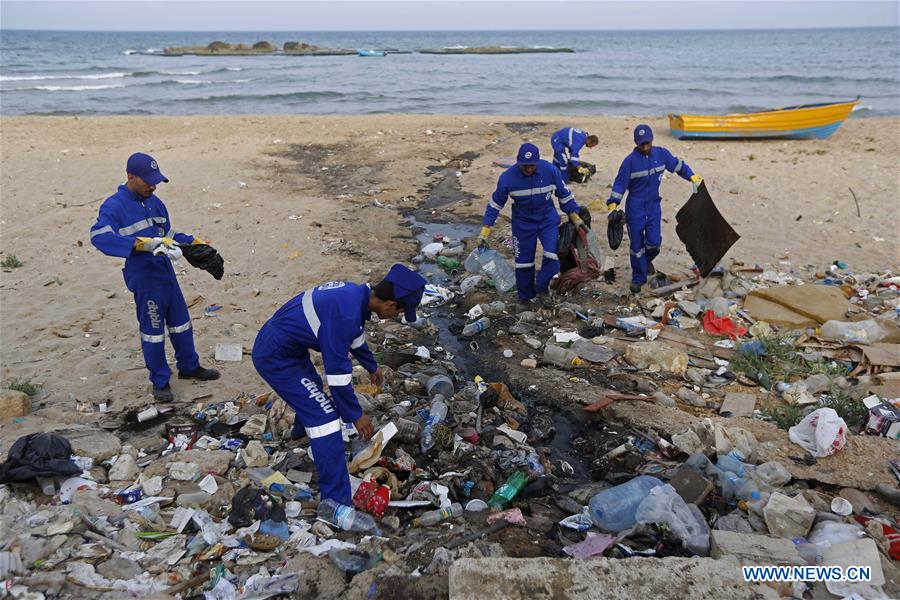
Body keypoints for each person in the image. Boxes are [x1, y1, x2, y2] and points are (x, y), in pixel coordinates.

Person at [251, 264, 427, 505]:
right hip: (276, 356)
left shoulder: (356, 296)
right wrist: (355, 414)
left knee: (311, 388)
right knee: (326, 421)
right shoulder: (345, 313)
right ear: (390, 304)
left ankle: (300, 435)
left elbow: (356, 336)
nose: (396, 316)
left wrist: (371, 365)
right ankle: (336, 501)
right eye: (400, 312)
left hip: (289, 348)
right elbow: (337, 375)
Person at [90, 153, 220, 403]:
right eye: (148, 180)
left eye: (156, 180)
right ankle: (160, 381)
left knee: (182, 323)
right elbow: (100, 237)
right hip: (144, 277)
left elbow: (168, 234)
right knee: (153, 332)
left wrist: (195, 243)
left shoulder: (156, 203)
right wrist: (143, 245)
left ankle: (189, 367)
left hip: (166, 272)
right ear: (131, 177)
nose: (153, 185)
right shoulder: (113, 206)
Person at [478, 143, 584, 303]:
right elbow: (495, 205)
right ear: (518, 162)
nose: (528, 169)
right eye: (524, 166)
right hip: (522, 224)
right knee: (523, 263)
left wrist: (576, 219)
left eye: (532, 165)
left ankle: (541, 288)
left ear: (538, 162)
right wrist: (485, 231)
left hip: (547, 220)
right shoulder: (507, 178)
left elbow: (564, 196)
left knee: (553, 256)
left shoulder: (550, 171)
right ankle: (526, 297)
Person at [606, 124, 702, 294]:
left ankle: (645, 261)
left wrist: (692, 177)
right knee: (636, 247)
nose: (645, 147)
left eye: (647, 143)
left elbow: (677, 166)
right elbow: (619, 185)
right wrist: (613, 205)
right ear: (636, 143)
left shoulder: (662, 154)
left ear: (652, 140)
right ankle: (638, 278)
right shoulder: (629, 162)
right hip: (635, 209)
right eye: (642, 144)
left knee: (654, 243)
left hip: (653, 208)